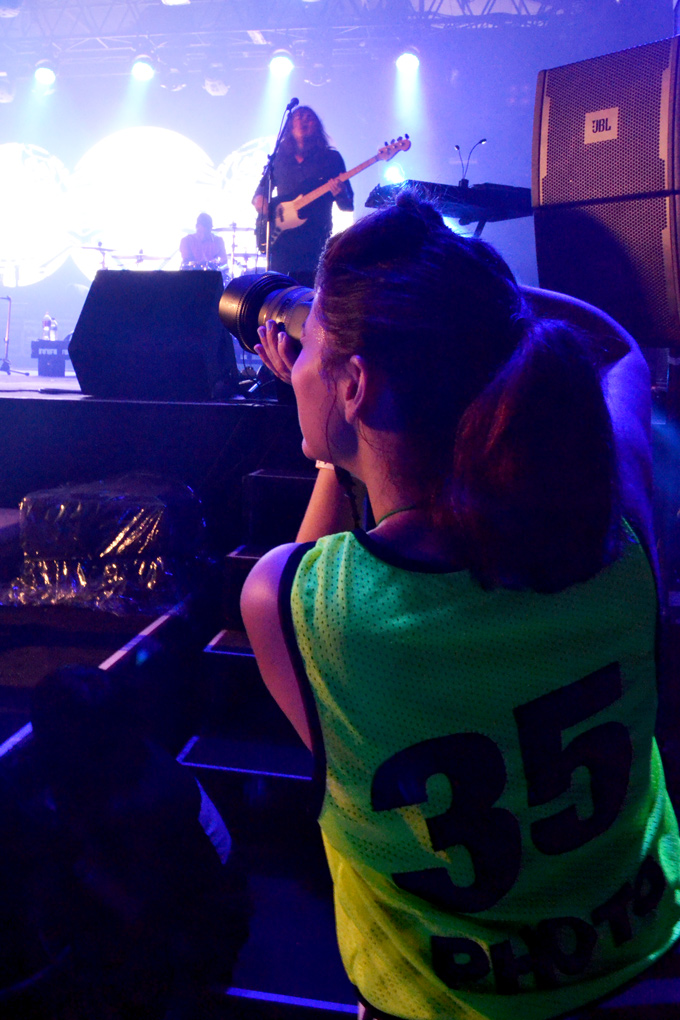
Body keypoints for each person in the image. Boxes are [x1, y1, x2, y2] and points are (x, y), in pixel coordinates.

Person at [240, 192, 680, 1020]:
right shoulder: (616, 539)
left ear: (356, 384)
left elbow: (318, 569)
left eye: (312, 349)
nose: (295, 362)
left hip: (441, 1003)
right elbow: (611, 345)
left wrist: (334, 447)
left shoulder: (295, 604)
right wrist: (429, 321)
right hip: (642, 965)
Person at [30, 664, 249, 1019]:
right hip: (187, 901)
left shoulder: (139, 805)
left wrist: (83, 870)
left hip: (204, 931)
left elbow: (146, 912)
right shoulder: (124, 754)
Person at [252, 105, 354, 288]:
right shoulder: (279, 158)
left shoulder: (331, 158)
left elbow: (348, 205)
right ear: (290, 126)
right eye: (298, 117)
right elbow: (260, 194)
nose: (303, 121)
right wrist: (261, 203)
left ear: (317, 126)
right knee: (280, 292)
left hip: (315, 241)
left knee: (311, 292)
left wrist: (340, 193)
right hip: (281, 242)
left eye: (308, 117)